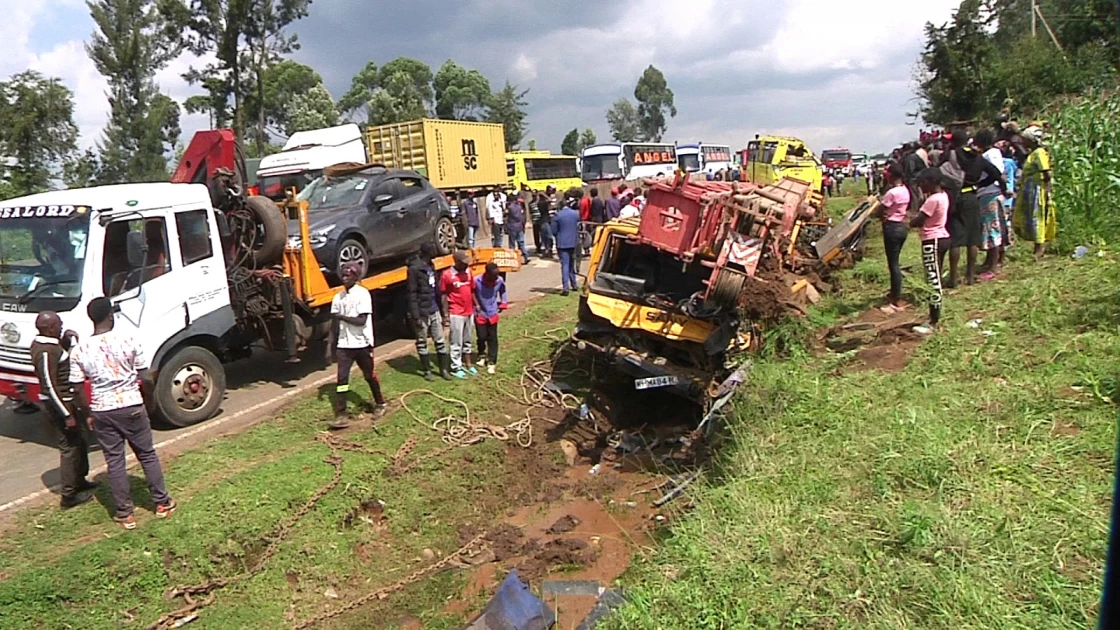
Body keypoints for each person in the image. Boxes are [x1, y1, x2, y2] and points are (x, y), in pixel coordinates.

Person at [69, 297, 175, 530]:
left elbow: (76, 388)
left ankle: (125, 514)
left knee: (115, 461)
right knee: (146, 455)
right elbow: (145, 377)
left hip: (102, 410)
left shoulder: (79, 350)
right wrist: (147, 400)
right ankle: (161, 503)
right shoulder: (129, 339)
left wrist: (88, 412)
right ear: (110, 315)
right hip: (132, 406)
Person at [31, 312, 95, 509]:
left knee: (80, 441)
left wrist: (66, 342)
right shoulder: (44, 351)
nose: (61, 327)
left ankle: (79, 480)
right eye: (59, 325)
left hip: (69, 402)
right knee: (69, 447)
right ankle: (68, 495)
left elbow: (61, 365)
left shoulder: (52, 345)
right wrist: (66, 414)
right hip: (60, 406)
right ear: (49, 328)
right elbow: (49, 385)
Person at [329, 264, 387, 429]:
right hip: (344, 345)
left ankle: (380, 403)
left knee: (369, 375)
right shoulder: (338, 297)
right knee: (342, 379)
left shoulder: (363, 294)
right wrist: (330, 345)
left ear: (356, 277)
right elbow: (334, 324)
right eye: (343, 274)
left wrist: (342, 316)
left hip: (362, 343)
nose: (344, 277)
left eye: (348, 275)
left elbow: (361, 321)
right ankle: (341, 414)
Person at [946, 132, 1006, 286]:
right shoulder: (978, 157)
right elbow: (996, 174)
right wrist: (981, 184)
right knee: (972, 238)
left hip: (955, 197)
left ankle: (953, 279)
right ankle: (970, 277)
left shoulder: (951, 155)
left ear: (953, 142)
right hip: (972, 197)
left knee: (956, 239)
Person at [909, 169, 951, 333]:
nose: (921, 186)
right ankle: (934, 316)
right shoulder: (943, 195)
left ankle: (933, 321)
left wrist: (911, 221)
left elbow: (919, 220)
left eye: (923, 183)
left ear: (932, 182)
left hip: (932, 239)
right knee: (936, 276)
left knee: (933, 280)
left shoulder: (932, 200)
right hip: (941, 237)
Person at [406, 242, 451, 381]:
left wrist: (443, 311)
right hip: (422, 311)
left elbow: (437, 290)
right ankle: (427, 371)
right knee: (422, 341)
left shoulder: (431, 266)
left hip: (434, 309)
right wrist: (416, 316)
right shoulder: (414, 269)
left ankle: (443, 370)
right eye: (432, 250)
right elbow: (411, 293)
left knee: (440, 339)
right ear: (426, 252)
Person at [1013, 125, 1055, 260]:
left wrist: (1047, 190)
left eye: (1024, 140)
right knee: (1031, 217)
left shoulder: (1039, 153)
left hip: (1037, 190)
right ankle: (1036, 247)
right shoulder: (1033, 153)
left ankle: (1040, 248)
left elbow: (1046, 172)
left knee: (1038, 217)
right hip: (1030, 190)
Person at [876, 164, 911, 310]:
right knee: (895, 261)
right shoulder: (905, 190)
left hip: (891, 227)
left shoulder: (892, 193)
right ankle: (894, 293)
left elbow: (880, 210)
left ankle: (896, 297)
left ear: (892, 176)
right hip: (901, 226)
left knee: (893, 264)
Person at [975, 129, 1009, 279]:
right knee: (996, 227)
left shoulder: (988, 155)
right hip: (993, 193)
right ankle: (992, 260)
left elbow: (996, 174)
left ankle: (994, 266)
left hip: (989, 194)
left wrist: (979, 185)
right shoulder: (994, 153)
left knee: (992, 229)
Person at [441, 250, 477, 378]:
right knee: (456, 341)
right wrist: (445, 314)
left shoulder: (468, 272)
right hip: (456, 312)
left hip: (469, 311)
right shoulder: (447, 275)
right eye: (463, 263)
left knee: (468, 339)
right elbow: (444, 295)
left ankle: (468, 364)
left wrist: (476, 304)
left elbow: (472, 290)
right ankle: (456, 367)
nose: (466, 265)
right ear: (456, 262)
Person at [473, 262, 508, 375]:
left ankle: (492, 361)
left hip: (492, 312)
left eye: (497, 276)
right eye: (493, 276)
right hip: (480, 313)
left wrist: (503, 302)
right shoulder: (477, 281)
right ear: (486, 274)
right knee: (481, 336)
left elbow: (503, 291)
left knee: (492, 338)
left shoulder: (499, 281)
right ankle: (481, 354)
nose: (495, 279)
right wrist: (476, 305)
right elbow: (471, 292)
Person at [552, 196, 581, 296]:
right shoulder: (575, 214)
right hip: (573, 242)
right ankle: (574, 284)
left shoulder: (557, 215)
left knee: (565, 265)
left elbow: (554, 231)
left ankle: (565, 287)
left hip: (562, 243)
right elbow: (579, 226)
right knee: (571, 264)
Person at [505, 195, 531, 264]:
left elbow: (506, 216)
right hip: (519, 226)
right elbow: (522, 218)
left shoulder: (509, 207)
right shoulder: (519, 207)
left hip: (512, 226)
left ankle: (513, 259)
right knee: (521, 242)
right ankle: (526, 256)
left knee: (512, 244)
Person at [536, 191, 554, 257]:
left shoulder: (539, 203)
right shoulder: (543, 203)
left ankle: (547, 250)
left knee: (544, 237)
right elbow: (550, 200)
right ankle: (548, 250)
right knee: (549, 236)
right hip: (546, 221)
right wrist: (545, 195)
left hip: (543, 221)